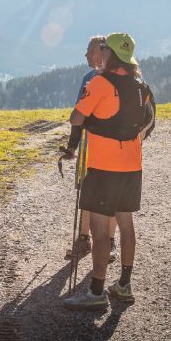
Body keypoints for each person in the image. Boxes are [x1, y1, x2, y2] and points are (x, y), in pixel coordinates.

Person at [62, 32, 154, 310]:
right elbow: (148, 119)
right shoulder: (142, 85)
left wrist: (91, 121)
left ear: (110, 53)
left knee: (100, 230)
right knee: (126, 224)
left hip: (104, 166)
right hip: (132, 165)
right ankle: (124, 285)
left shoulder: (100, 82)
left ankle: (97, 291)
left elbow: (76, 117)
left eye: (103, 49)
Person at [61, 36, 119, 263]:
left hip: (104, 146)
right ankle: (84, 239)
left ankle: (108, 242)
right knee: (86, 192)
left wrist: (73, 146)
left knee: (110, 194)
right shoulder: (88, 77)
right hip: (89, 144)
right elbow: (80, 115)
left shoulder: (111, 78)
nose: (86, 54)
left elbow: (79, 116)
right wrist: (72, 146)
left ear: (103, 51)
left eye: (90, 50)